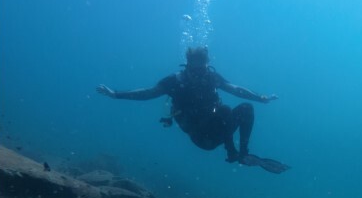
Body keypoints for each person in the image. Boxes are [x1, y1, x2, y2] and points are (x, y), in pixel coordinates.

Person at [97, 46, 288, 173]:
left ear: (207, 66)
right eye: (195, 71)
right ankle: (231, 152)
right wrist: (116, 94)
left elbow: (235, 89)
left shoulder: (212, 78)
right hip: (201, 137)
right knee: (224, 110)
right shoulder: (175, 81)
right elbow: (148, 93)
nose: (199, 75)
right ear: (187, 66)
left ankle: (242, 154)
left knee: (246, 108)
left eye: (202, 70)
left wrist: (260, 98)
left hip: (218, 128)